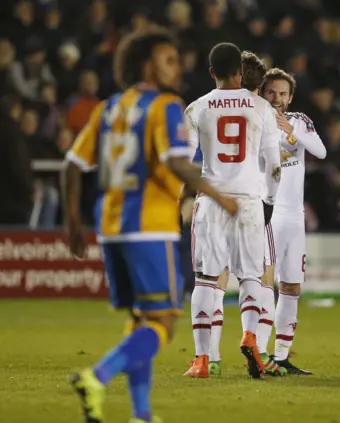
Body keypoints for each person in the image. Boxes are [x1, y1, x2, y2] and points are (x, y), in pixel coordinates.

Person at [63, 29, 237, 423]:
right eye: (168, 60)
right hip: (150, 227)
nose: (177, 67)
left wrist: (74, 222)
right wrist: (222, 197)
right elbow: (176, 163)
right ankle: (97, 376)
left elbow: (72, 165)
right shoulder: (165, 105)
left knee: (141, 320)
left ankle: (141, 414)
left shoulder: (107, 108)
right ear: (147, 65)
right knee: (164, 324)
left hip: (111, 228)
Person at [182, 42, 281, 380]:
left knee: (207, 281)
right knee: (251, 277)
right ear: (241, 71)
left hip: (211, 201)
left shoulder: (197, 108)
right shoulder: (262, 108)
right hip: (250, 202)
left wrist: (180, 199)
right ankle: (251, 336)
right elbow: (274, 165)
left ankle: (201, 360)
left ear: (211, 73)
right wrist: (268, 201)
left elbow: (184, 163)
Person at [257, 68, 327, 375]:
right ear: (262, 93)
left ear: (291, 97)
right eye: (272, 92)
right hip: (266, 213)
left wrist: (292, 131)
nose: (277, 98)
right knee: (263, 285)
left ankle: (281, 355)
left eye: (283, 93)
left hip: (294, 217)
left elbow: (321, 152)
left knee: (292, 287)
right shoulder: (255, 119)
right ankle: (258, 352)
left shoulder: (300, 120)